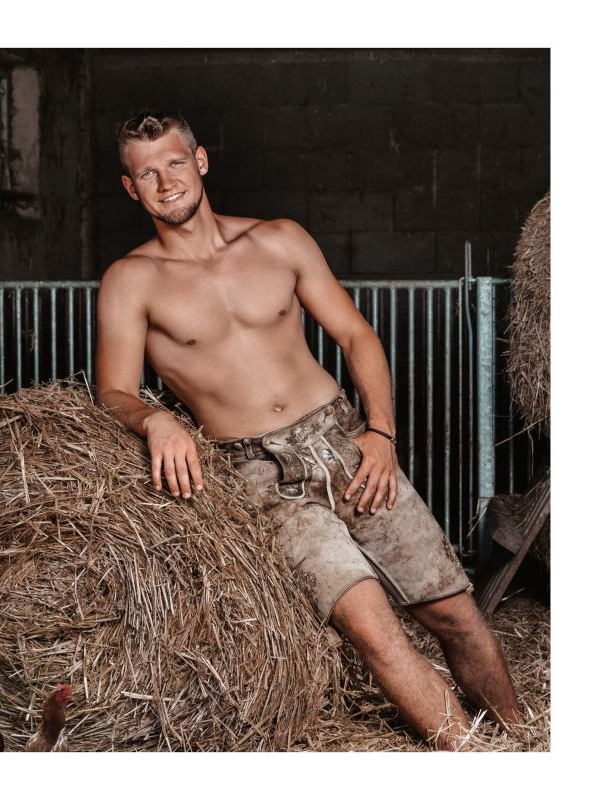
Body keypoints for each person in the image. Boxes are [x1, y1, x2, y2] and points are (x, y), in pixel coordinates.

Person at [95, 111, 521, 750]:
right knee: (372, 629)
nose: (166, 181)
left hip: (344, 442)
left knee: (453, 613)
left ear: (200, 161)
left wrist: (381, 432)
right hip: (258, 476)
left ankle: (526, 742)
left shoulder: (280, 240)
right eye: (146, 173)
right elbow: (113, 393)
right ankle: (478, 767)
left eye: (175, 162)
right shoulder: (130, 281)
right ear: (131, 188)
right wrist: (155, 418)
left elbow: (355, 335)